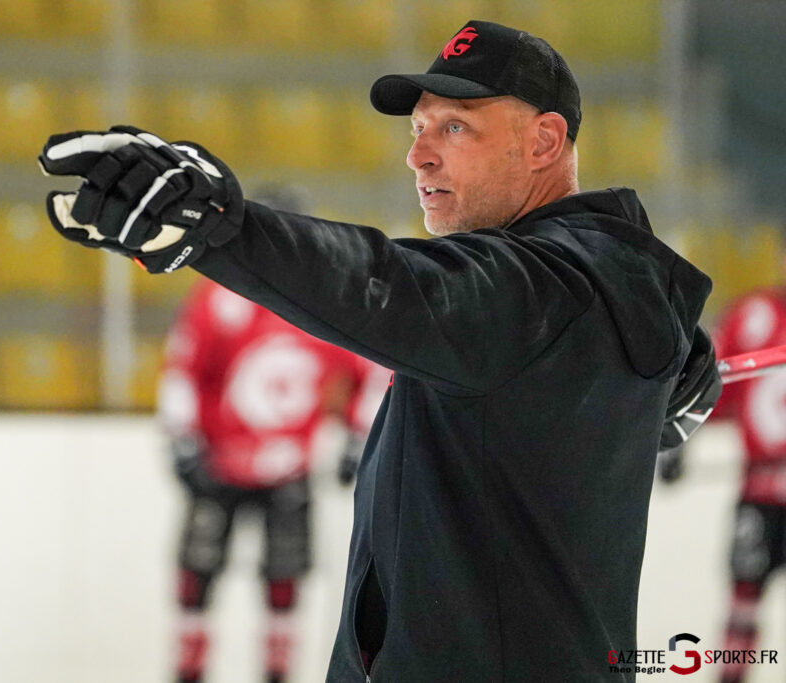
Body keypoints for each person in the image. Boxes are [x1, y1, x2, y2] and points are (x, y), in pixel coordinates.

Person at [39, 19, 721, 682]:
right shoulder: (598, 289)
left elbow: (381, 284)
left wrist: (221, 229)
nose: (418, 154)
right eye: (417, 128)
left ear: (544, 139)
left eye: (454, 126)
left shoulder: (534, 292)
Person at [157, 189, 388, 683]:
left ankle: (277, 669)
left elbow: (368, 370)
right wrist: (181, 440)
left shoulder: (322, 303)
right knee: (198, 569)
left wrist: (357, 438)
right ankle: (189, 666)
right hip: (219, 462)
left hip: (289, 468)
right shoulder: (221, 301)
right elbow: (184, 370)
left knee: (285, 575)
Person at [659, 273, 786, 683]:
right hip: (762, 495)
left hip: (761, 491)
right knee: (742, 608)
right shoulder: (755, 314)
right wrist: (678, 445)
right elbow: (707, 384)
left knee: (742, 608)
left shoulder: (755, 313)